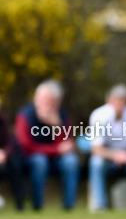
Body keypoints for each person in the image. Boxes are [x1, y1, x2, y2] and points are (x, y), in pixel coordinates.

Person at [15, 79, 79, 211]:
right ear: (36, 99)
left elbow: (67, 146)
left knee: (71, 161)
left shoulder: (63, 116)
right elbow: (26, 146)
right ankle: (37, 206)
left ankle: (69, 206)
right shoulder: (25, 116)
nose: (48, 105)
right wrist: (55, 150)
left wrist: (57, 126)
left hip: (56, 159)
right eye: (45, 100)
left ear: (58, 102)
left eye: (52, 102)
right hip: (31, 158)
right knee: (40, 161)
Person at [0, 97, 26, 210]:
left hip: (2, 159)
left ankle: (19, 204)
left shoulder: (2, 121)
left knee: (15, 164)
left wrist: (4, 153)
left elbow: (10, 143)